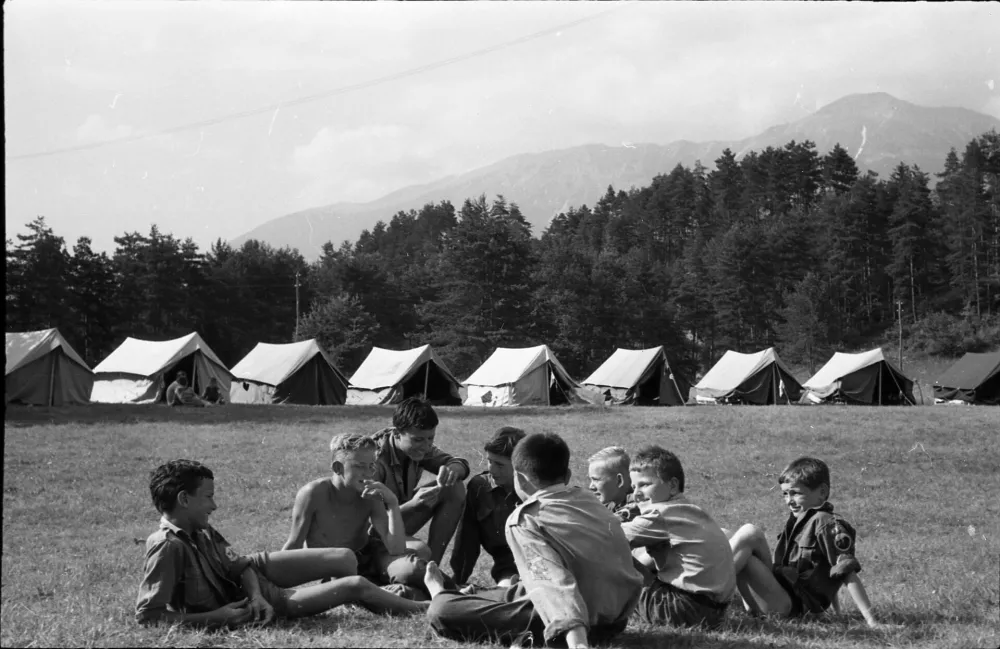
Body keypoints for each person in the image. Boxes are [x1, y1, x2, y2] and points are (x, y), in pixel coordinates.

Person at [134, 460, 428, 628]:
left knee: (344, 557)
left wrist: (255, 593)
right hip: (265, 599)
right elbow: (149, 617)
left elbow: (241, 565)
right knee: (356, 584)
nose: (215, 504)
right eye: (208, 496)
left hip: (256, 578)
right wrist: (216, 618)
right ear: (184, 500)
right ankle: (425, 607)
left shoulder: (200, 529)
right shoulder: (167, 546)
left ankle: (383, 595)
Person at [425, 432, 643, 648]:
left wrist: (576, 639)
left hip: (577, 620)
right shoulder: (588, 499)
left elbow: (552, 582)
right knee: (504, 594)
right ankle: (466, 595)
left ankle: (441, 594)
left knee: (442, 611)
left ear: (519, 478)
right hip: (616, 618)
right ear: (567, 475)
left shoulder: (525, 520)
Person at [727, 457, 880, 627]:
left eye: (796, 493)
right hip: (780, 594)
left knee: (750, 532)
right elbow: (827, 572)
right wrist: (832, 612)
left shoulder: (827, 524)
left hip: (789, 607)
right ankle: (703, 591)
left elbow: (846, 573)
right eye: (785, 494)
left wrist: (872, 622)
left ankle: (705, 597)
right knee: (725, 534)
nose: (789, 501)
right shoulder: (801, 519)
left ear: (822, 492)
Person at [282, 433, 429, 594]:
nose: (368, 473)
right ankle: (388, 591)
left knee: (412, 568)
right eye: (359, 466)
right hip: (334, 566)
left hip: (367, 557)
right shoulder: (313, 494)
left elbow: (396, 549)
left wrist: (392, 503)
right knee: (346, 579)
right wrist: (271, 581)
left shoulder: (370, 495)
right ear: (338, 468)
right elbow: (294, 544)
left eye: (371, 466)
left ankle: (446, 590)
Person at [620, 445, 736, 629]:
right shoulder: (690, 511)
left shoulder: (660, 515)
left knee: (609, 550)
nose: (636, 494)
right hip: (714, 613)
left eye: (644, 484)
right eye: (633, 486)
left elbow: (608, 535)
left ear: (672, 485)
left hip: (680, 609)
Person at [371, 397, 470, 565]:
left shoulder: (417, 446)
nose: (426, 446)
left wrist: (453, 470)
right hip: (372, 534)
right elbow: (370, 522)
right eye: (418, 440)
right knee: (419, 552)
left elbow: (459, 464)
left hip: (397, 523)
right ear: (396, 433)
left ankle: (434, 568)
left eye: (430, 438)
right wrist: (413, 505)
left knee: (453, 486)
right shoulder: (372, 460)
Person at [449, 426, 526, 588]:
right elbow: (467, 540)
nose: (491, 469)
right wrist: (458, 581)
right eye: (489, 461)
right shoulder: (480, 487)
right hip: (508, 567)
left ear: (519, 466)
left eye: (499, 465)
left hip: (539, 564)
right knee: (507, 591)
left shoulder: (535, 489)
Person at [587, 446, 639, 521]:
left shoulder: (635, 507)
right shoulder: (614, 503)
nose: (591, 486)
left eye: (596, 480)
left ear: (619, 481)